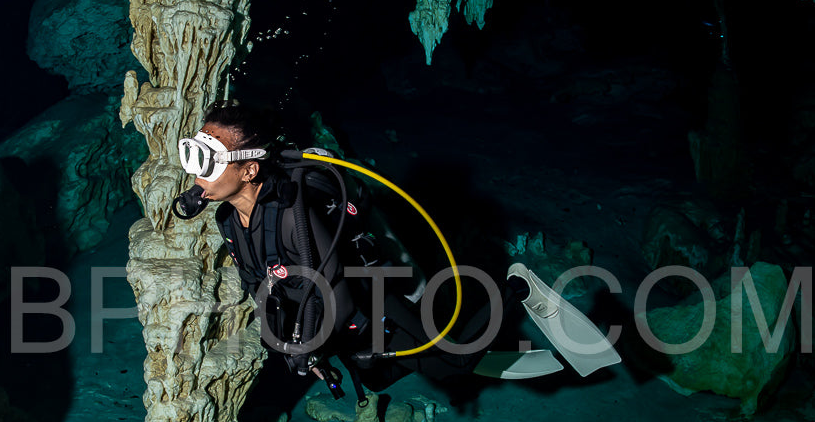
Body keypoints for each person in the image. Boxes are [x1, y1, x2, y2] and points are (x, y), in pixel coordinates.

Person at [174, 100, 619, 400]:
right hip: (328, 321)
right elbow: (258, 283)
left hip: (368, 296)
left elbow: (339, 295)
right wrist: (292, 345)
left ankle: (513, 289)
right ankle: (428, 347)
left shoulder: (293, 216)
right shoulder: (227, 218)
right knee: (378, 378)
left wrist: (305, 348)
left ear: (250, 169)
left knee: (454, 368)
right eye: (192, 154)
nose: (195, 175)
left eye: (207, 162)